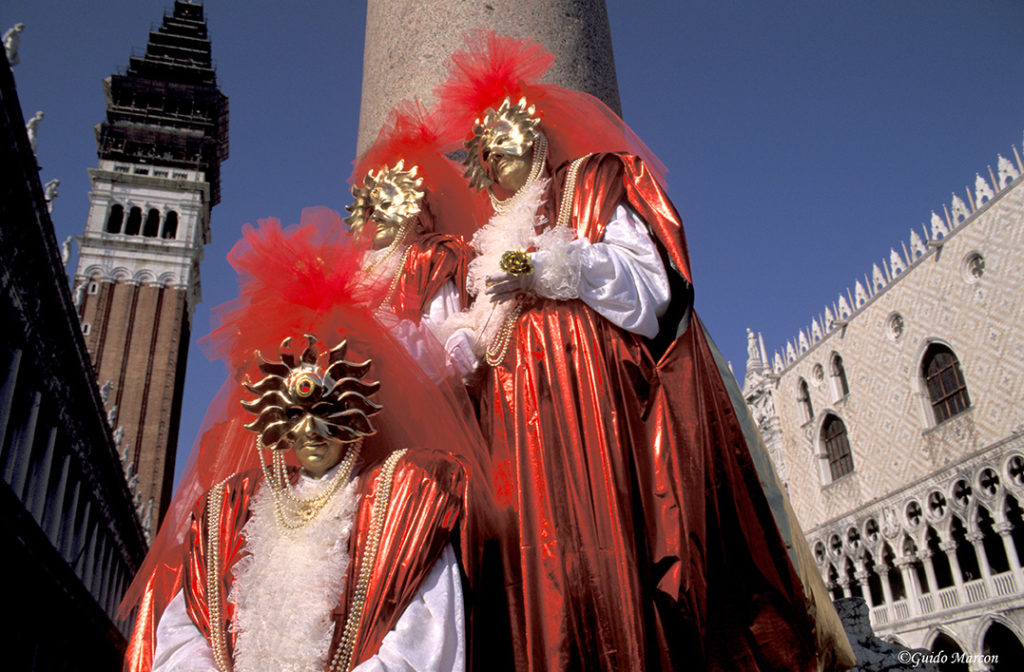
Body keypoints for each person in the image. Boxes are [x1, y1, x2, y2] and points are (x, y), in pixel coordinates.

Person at [434, 31, 853, 672]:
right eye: (484, 145)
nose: (496, 149)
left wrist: (555, 267)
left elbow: (651, 288)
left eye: (507, 132)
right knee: (532, 569)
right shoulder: (481, 244)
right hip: (511, 432)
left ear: (537, 133)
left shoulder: (589, 187)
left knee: (597, 548)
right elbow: (480, 335)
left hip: (585, 403)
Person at [123, 213, 494, 672]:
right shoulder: (229, 511)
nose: (310, 429)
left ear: (356, 411)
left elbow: (426, 639)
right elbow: (184, 633)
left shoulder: (404, 501)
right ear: (273, 422)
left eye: (326, 409)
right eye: (294, 415)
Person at [346, 101, 486, 331]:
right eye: (371, 210)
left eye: (386, 205)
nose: (377, 215)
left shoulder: (431, 257)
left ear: (417, 214)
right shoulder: (354, 271)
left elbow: (441, 331)